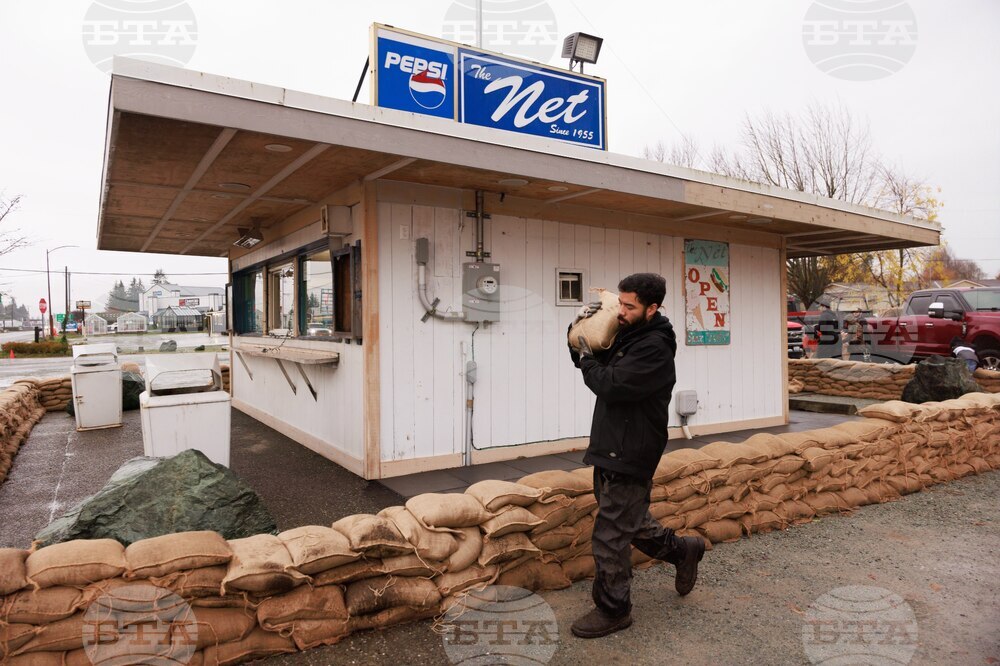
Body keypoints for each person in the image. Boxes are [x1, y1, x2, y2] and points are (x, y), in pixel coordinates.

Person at [567, 272, 705, 639]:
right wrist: (578, 328)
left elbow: (610, 384)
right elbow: (592, 356)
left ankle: (614, 610)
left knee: (611, 535)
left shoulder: (654, 347)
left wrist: (586, 360)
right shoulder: (630, 332)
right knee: (630, 521)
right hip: (612, 443)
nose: (621, 311)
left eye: (629, 306)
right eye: (621, 303)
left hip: (631, 449)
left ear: (652, 308)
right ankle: (683, 551)